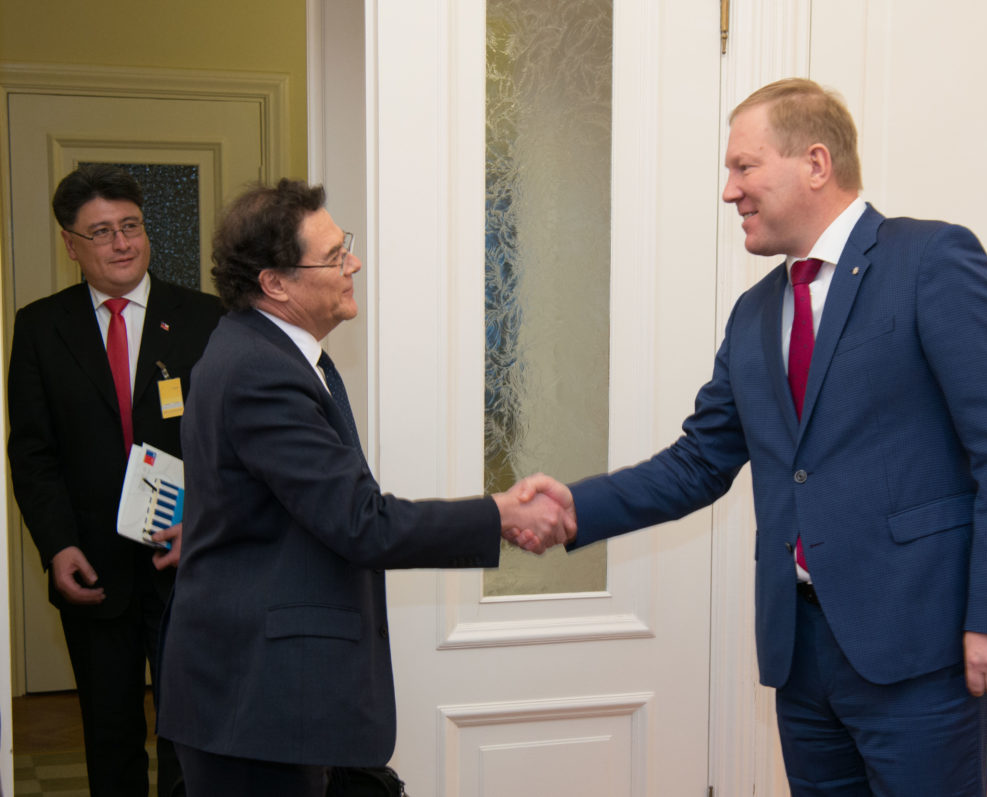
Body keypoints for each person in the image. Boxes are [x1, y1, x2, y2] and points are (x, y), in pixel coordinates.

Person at [517, 78, 987, 796]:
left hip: (922, 648)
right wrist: (575, 508)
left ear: (816, 163)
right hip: (801, 657)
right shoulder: (754, 313)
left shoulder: (931, 260)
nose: (729, 191)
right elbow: (698, 462)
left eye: (745, 166)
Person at [156, 178, 572, 797]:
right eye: (333, 256)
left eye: (344, 245)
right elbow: (360, 522)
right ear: (275, 283)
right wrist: (500, 514)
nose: (353, 263)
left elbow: (265, 499)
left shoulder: (270, 352)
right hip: (253, 704)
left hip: (257, 697)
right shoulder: (260, 371)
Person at [7, 164, 225, 796]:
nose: (122, 243)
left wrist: (205, 522)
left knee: (193, 735)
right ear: (70, 245)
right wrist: (57, 545)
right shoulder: (41, 327)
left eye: (131, 226)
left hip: (188, 559)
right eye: (101, 232)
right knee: (110, 736)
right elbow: (33, 453)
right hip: (93, 566)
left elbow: (233, 446)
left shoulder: (207, 318)